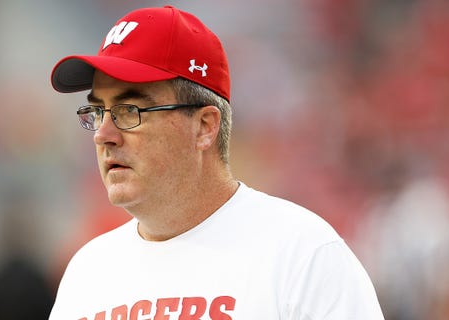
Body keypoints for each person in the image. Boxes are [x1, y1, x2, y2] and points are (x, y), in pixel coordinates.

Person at [49, 5, 384, 320]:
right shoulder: (88, 272)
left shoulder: (302, 254)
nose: (102, 134)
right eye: (98, 112)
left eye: (128, 111)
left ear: (204, 127)